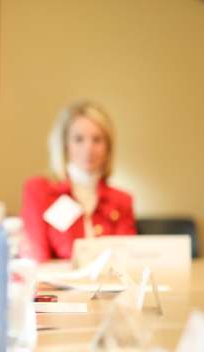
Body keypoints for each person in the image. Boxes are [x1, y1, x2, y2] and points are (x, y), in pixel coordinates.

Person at [21, 100, 136, 261]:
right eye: (79, 139)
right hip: (57, 284)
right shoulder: (39, 191)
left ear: (108, 147)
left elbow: (128, 260)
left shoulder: (122, 201)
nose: (88, 148)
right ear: (64, 145)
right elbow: (37, 257)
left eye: (97, 140)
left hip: (110, 285)